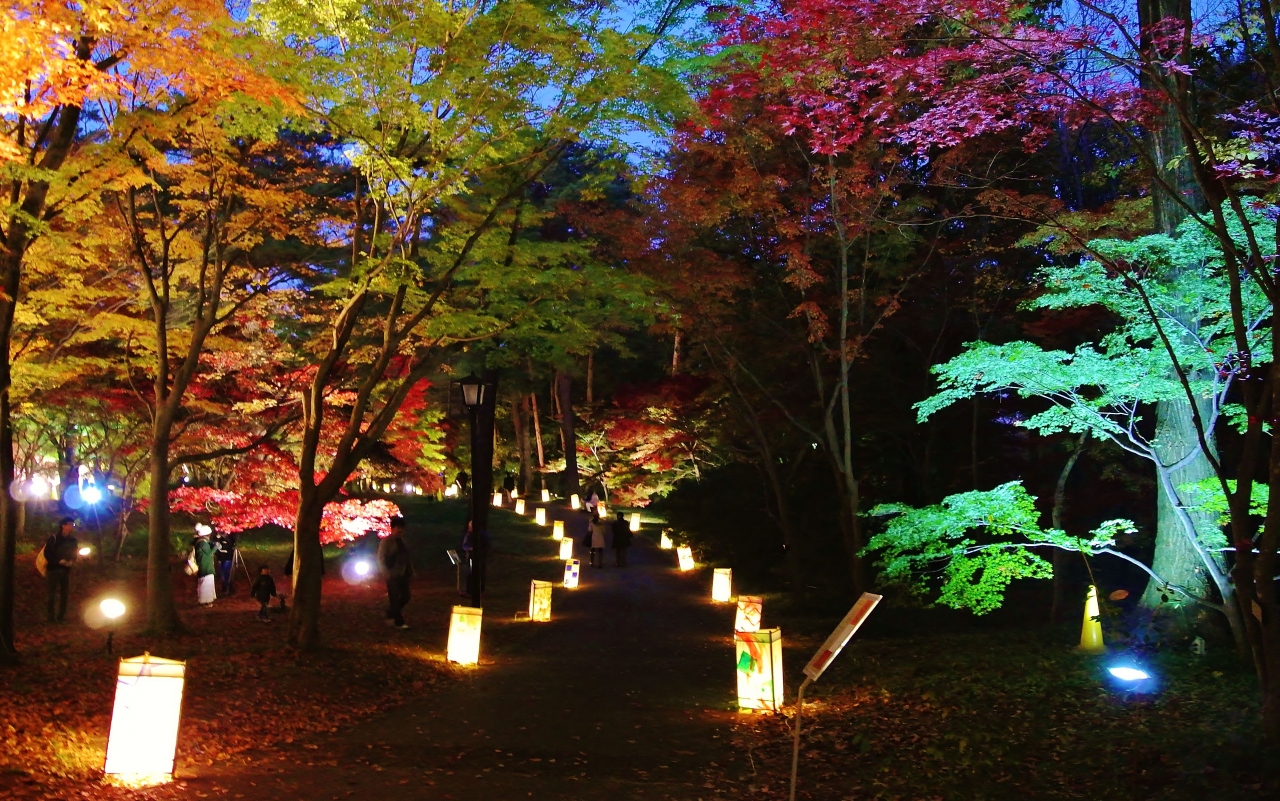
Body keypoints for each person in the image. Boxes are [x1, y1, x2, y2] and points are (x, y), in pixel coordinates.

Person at [378, 517, 414, 629]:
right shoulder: (386, 541)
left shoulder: (403, 541)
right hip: (391, 573)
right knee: (394, 597)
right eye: (398, 528)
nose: (400, 530)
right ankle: (399, 622)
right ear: (392, 528)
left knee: (406, 596)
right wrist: (385, 571)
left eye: (402, 528)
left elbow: (407, 558)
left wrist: (411, 571)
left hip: (402, 573)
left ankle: (390, 613)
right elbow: (381, 557)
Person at [42, 517, 79, 624]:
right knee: (51, 594)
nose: (71, 526)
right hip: (53, 569)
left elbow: (74, 552)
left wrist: (71, 561)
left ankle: (61, 617)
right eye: (70, 524)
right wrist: (59, 561)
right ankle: (50, 617)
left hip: (66, 570)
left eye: (73, 524)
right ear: (63, 525)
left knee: (64, 594)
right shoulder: (53, 538)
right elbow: (47, 553)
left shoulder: (73, 540)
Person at [194, 525, 216, 607]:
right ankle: (205, 601)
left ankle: (205, 600)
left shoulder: (201, 542)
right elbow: (209, 553)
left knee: (204, 584)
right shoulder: (203, 543)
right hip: (206, 566)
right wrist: (216, 547)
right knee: (206, 584)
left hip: (205, 566)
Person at [213, 531, 237, 597]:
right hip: (222, 558)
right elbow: (217, 549)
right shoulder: (219, 539)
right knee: (223, 574)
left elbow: (230, 547)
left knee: (226, 574)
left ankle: (227, 588)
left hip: (227, 558)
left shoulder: (229, 539)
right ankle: (225, 588)